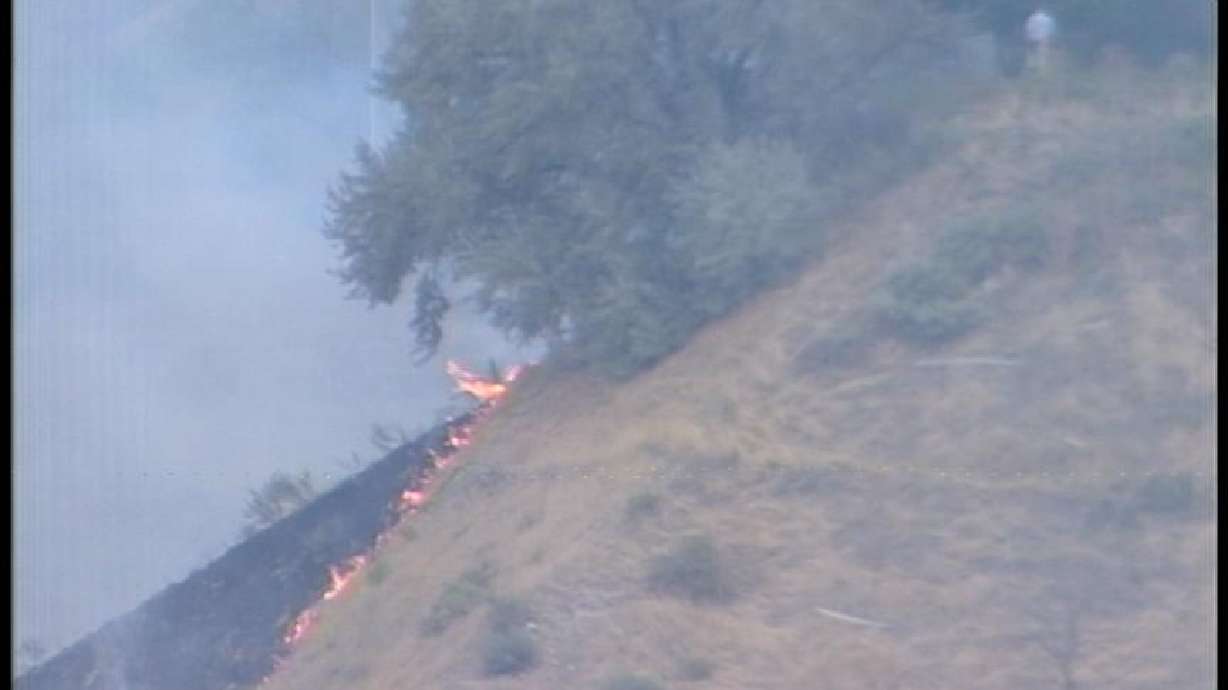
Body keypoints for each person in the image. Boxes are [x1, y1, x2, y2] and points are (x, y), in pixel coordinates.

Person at [1024, 8, 1057, 74]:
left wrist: (1028, 37)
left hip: (1033, 38)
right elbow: (1051, 29)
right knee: (1042, 54)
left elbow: (1028, 28)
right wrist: (1051, 38)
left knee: (1032, 54)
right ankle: (1041, 69)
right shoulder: (1048, 19)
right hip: (1044, 38)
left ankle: (1031, 67)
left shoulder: (1031, 18)